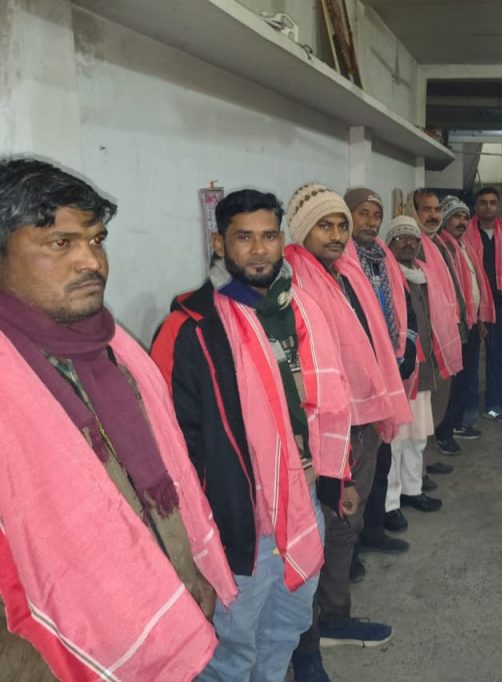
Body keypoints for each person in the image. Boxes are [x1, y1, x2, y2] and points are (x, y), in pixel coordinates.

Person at [0, 158, 235, 681]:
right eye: (60, 243)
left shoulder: (114, 352)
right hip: (58, 657)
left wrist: (189, 574)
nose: (92, 262)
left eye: (96, 240)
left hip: (167, 612)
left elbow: (163, 484)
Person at [152, 189, 349, 680]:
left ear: (282, 239)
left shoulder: (300, 308)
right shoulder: (190, 328)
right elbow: (171, 445)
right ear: (220, 243)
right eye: (244, 238)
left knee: (285, 630)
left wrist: (335, 479)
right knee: (231, 652)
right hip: (240, 520)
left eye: (269, 236)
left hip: (303, 502)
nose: (259, 250)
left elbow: (324, 405)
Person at [281, 184, 405, 667]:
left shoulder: (345, 272)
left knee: (345, 525)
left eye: (340, 225)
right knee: (324, 529)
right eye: (323, 225)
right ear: (301, 229)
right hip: (328, 425)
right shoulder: (293, 283)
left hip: (363, 414)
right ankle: (309, 634)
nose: (335, 235)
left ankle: (333, 616)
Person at [340, 187, 417, 560]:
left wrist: (407, 346)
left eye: (376, 215)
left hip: (387, 370)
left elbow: (404, 307)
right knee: (354, 467)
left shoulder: (384, 258)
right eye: (363, 214)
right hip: (355, 379)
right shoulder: (341, 265)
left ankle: (374, 531)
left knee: (380, 459)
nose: (371, 223)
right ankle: (348, 552)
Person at [380, 214, 453, 531]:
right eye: (400, 238)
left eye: (413, 238)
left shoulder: (424, 274)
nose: (408, 244)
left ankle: (412, 489)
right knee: (395, 440)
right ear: (390, 244)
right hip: (397, 371)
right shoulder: (385, 276)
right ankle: (390, 504)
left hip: (424, 368)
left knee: (418, 435)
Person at [406, 188, 463, 475]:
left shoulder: (437, 242)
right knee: (422, 405)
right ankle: (419, 469)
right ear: (413, 212)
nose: (433, 215)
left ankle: (423, 463)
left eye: (436, 209)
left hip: (443, 332)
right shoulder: (411, 244)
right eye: (426, 209)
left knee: (434, 401)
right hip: (425, 338)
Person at [435, 196, 492, 450]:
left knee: (466, 377)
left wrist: (479, 319)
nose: (462, 222)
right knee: (452, 382)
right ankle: (444, 432)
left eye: (465, 217)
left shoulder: (464, 246)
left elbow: (474, 284)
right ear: (445, 220)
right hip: (453, 326)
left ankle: (455, 423)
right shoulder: (440, 248)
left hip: (470, 322)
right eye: (456, 217)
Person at [464, 187, 502, 424]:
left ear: (498, 206)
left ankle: (494, 406)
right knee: (470, 361)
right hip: (474, 307)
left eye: (492, 202)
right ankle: (469, 407)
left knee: (498, 360)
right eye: (483, 202)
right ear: (476, 206)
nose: (488, 207)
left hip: (501, 306)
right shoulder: (465, 235)